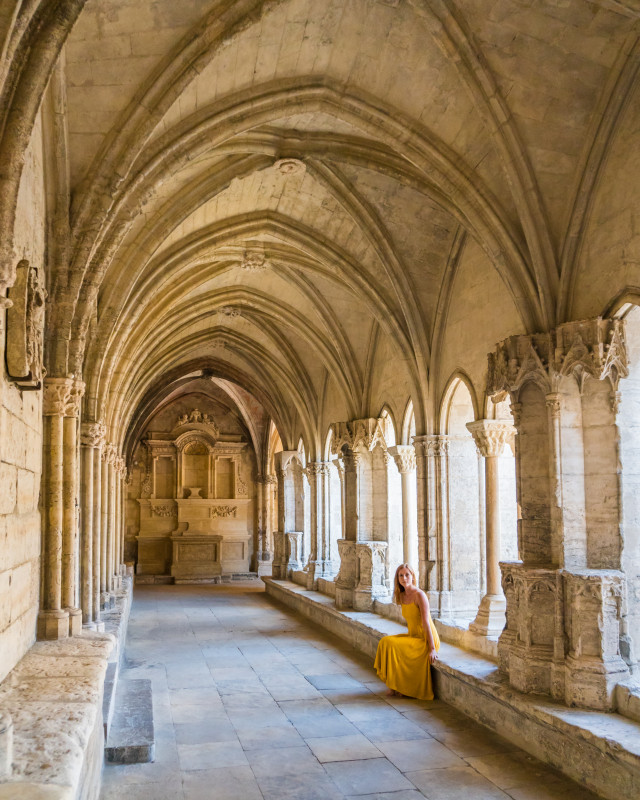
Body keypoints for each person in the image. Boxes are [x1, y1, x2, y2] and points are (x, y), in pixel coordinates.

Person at [374, 563, 440, 700]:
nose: (404, 578)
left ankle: (400, 687)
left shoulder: (419, 595)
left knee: (393, 644)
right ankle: (396, 685)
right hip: (413, 635)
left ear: (413, 576)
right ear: (397, 579)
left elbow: (426, 623)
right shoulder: (402, 596)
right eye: (401, 575)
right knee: (385, 641)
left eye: (407, 575)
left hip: (425, 639)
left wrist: (432, 648)